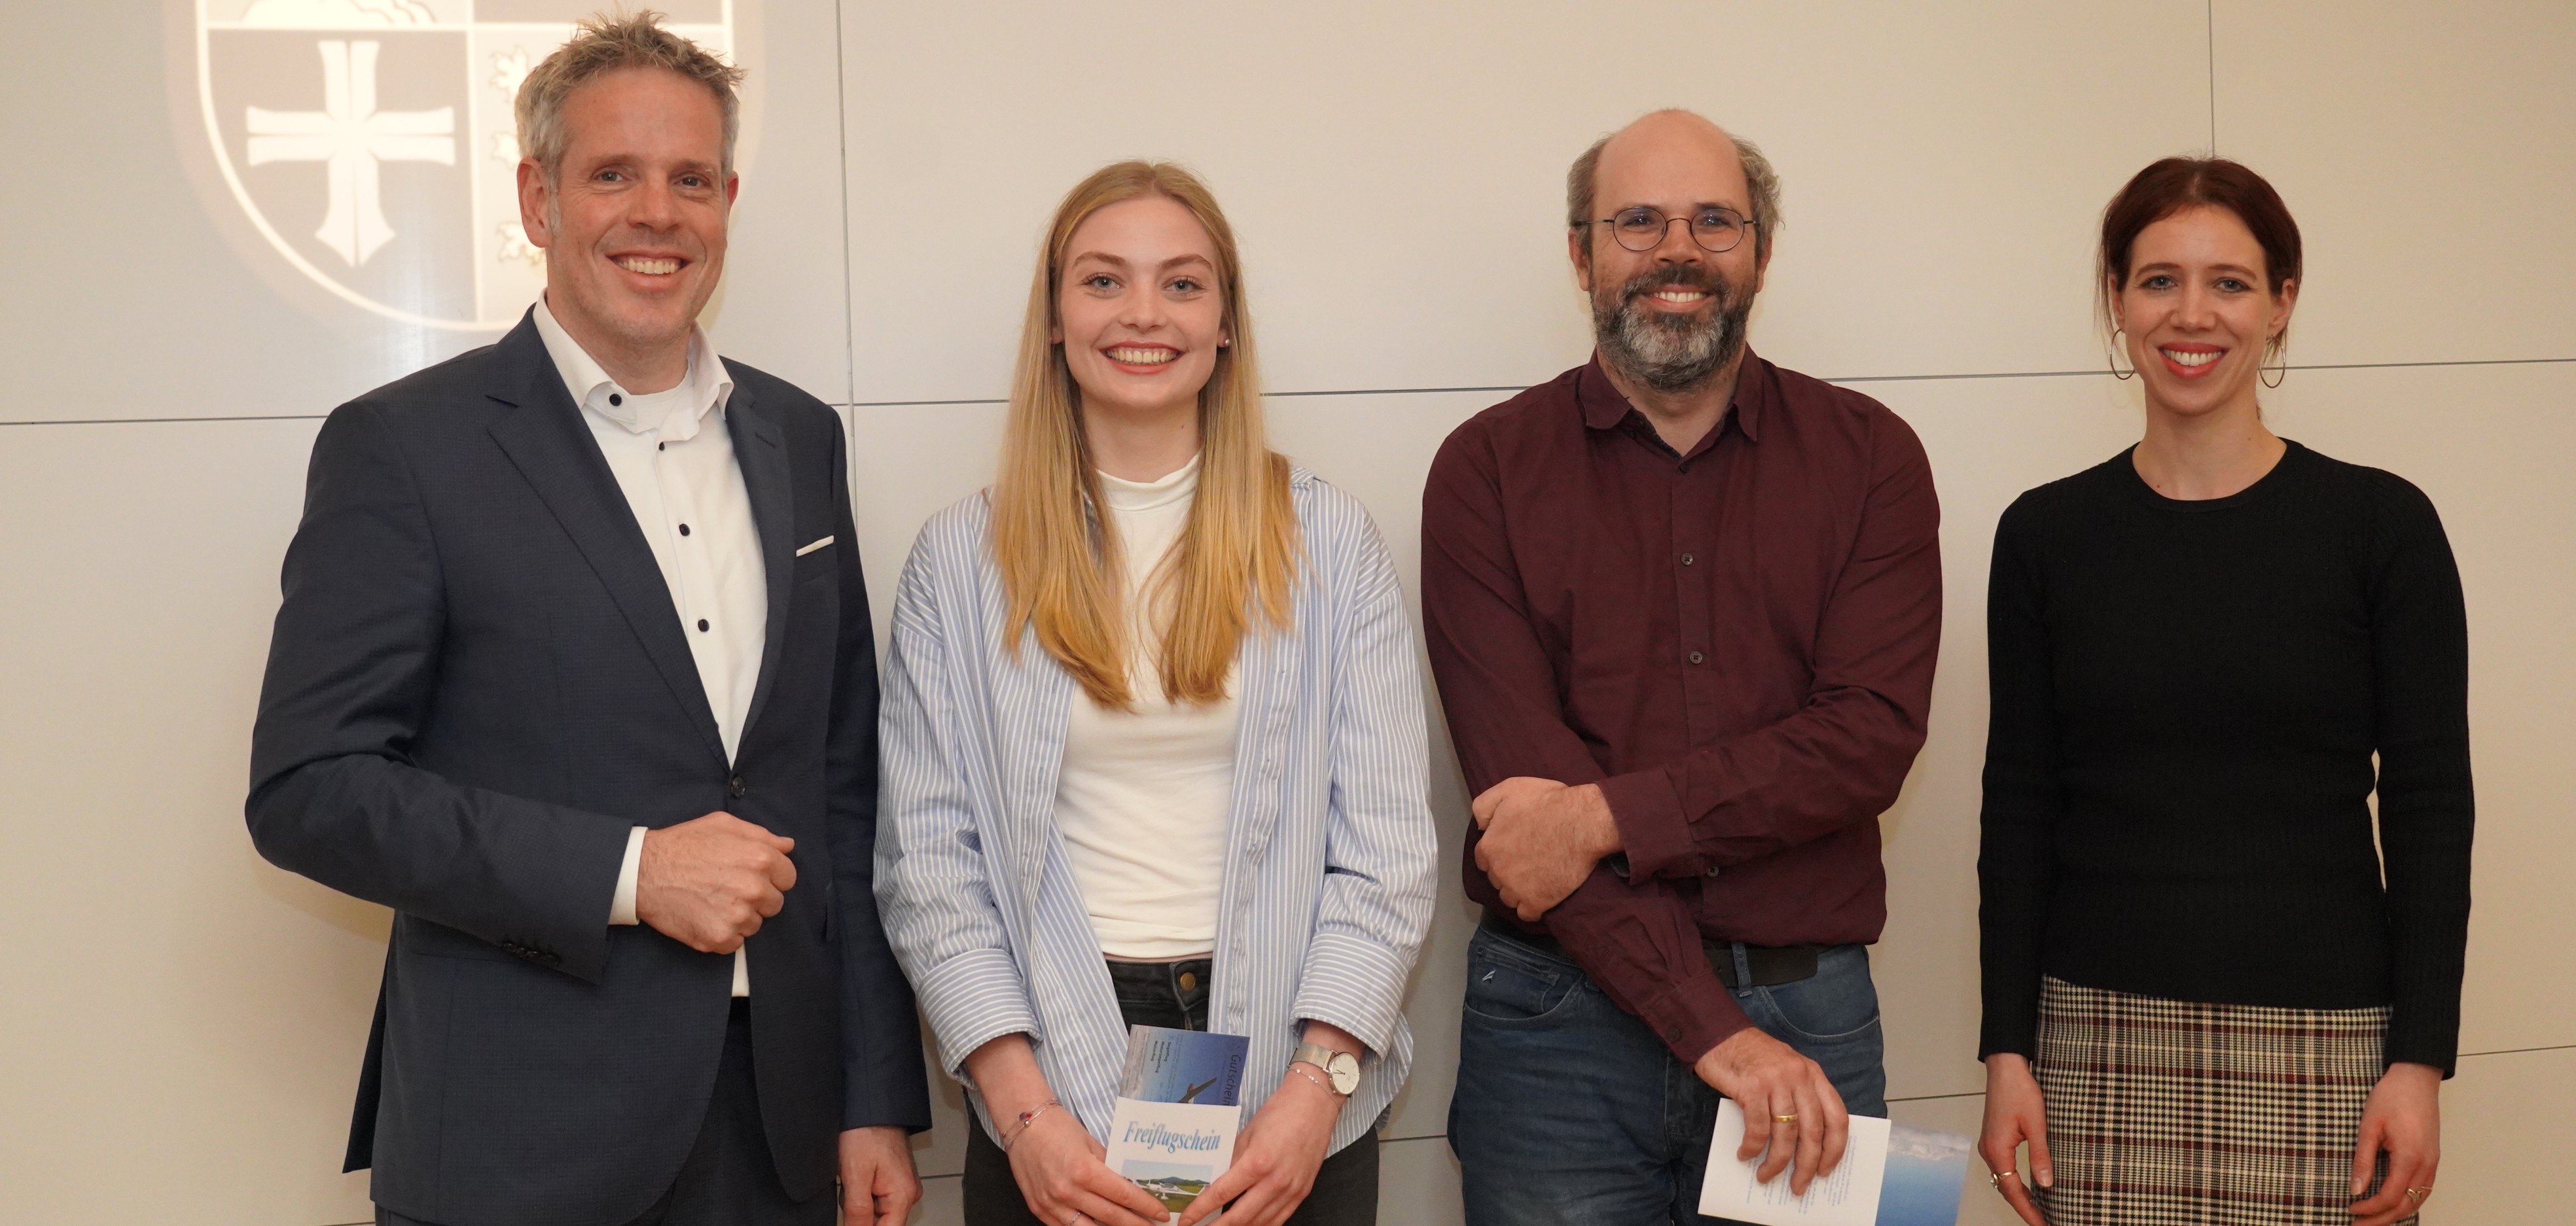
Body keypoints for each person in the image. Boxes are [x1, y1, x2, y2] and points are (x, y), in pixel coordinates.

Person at [244, 16, 927, 1226]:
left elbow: (838, 786)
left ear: (727, 201)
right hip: (518, 1145)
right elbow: (312, 788)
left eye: (691, 179)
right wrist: (632, 870)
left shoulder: (801, 438)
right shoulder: (403, 448)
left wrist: (872, 1092)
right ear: (538, 197)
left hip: (775, 1137)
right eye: (613, 173)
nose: (656, 213)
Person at [873, 160, 1437, 1226]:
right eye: (1102, 281)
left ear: (1227, 323)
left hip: (1288, 1064)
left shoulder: (1326, 542)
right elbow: (928, 865)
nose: (1143, 314)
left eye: (1182, 284)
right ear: (1053, 318)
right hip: (1047, 1082)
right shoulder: (960, 560)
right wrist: (1025, 1111)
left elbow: (1387, 853)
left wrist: (1315, 1093)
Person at [1425, 109, 1943, 1225]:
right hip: (1554, 1027)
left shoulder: (1872, 460)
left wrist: (1604, 816)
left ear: (1760, 250)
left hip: (1810, 1010)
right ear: (1581, 254)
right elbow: (1525, 826)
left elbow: (1865, 743)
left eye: (1715, 220)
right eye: (1638, 221)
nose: (1678, 252)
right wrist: (1714, 1028)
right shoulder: (1485, 473)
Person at [1975, 156, 2470, 1226]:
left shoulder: (2381, 528)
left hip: (2330, 1047)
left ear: (2284, 302)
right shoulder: (2045, 535)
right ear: (2116, 299)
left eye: (2230, 282)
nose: (2191, 314)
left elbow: (2433, 806)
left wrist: (2420, 1057)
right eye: (2158, 280)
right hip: (2096, 1044)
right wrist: (2006, 1047)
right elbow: (2018, 804)